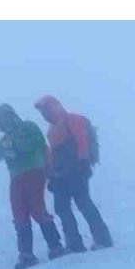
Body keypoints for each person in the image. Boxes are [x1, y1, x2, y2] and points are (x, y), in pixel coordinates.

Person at [0, 103, 66, 269]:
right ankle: (26, 254)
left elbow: (38, 143)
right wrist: (4, 150)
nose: (5, 121)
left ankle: (55, 245)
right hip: (16, 177)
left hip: (34, 170)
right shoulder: (4, 139)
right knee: (19, 213)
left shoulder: (28, 127)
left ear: (13, 115)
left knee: (37, 208)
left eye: (7, 116)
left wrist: (15, 148)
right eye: (1, 119)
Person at [34, 95, 113, 251]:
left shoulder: (73, 120)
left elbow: (82, 141)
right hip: (62, 174)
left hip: (76, 170)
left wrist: (83, 164)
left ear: (55, 106)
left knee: (83, 203)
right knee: (62, 207)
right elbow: (54, 155)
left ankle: (102, 239)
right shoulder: (52, 131)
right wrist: (51, 174)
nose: (44, 114)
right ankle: (75, 243)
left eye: (46, 110)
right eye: (43, 112)